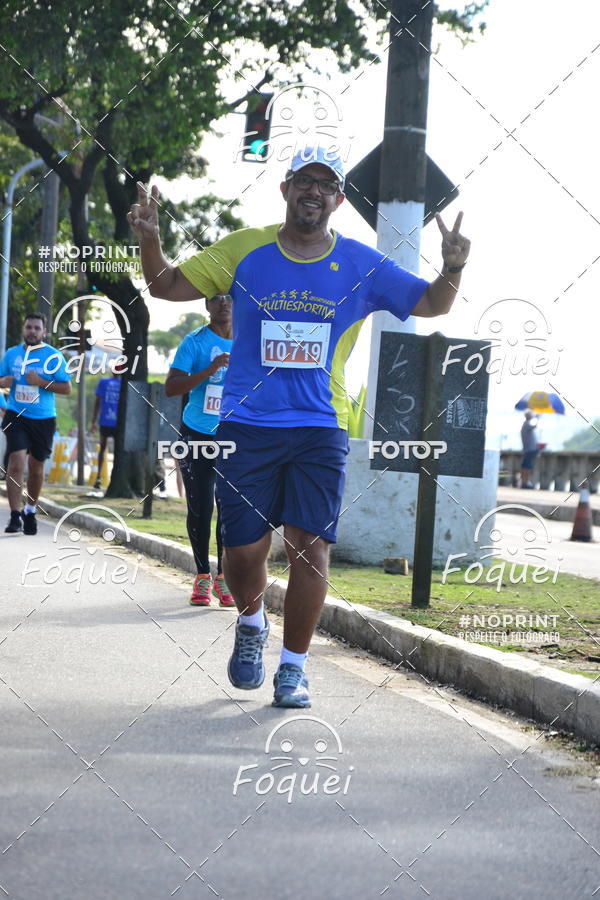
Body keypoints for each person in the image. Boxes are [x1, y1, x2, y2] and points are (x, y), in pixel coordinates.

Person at [128, 145, 470, 708]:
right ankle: (251, 620)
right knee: (242, 552)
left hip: (321, 426)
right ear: (285, 189)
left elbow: (433, 304)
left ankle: (293, 668)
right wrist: (148, 237)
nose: (314, 191)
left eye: (325, 184)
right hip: (247, 424)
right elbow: (165, 286)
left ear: (338, 198)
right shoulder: (246, 250)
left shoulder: (362, 263)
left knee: (310, 550)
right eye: (303, 181)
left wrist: (452, 267)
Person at [165, 294, 234, 607]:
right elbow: (171, 387)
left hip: (236, 436)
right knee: (202, 506)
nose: (224, 303)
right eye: (216, 299)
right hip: (198, 433)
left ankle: (224, 577)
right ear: (207, 306)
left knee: (230, 508)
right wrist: (209, 370)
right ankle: (203, 576)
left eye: (230, 297)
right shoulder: (194, 343)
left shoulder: (250, 340)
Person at [0, 312, 72, 534]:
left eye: (36, 328)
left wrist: (40, 382)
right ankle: (14, 515)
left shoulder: (53, 357)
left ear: (44, 332)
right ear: (24, 329)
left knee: (37, 468)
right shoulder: (12, 355)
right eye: (28, 327)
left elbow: (66, 388)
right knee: (15, 462)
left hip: (43, 419)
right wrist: (3, 381)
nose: (32, 331)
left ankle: (30, 509)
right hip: (15, 415)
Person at [90, 368, 122, 490]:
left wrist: (93, 421)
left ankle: (99, 477)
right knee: (116, 451)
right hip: (116, 423)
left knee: (103, 448)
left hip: (105, 420)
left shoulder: (104, 382)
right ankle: (107, 476)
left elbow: (97, 403)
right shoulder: (122, 384)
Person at [520, 410, 539, 489]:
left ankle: (524, 482)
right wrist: (537, 418)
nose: (532, 416)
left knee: (525, 466)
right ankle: (525, 482)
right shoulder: (526, 424)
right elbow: (534, 426)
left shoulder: (526, 424)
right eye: (530, 415)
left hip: (528, 449)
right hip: (529, 449)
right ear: (527, 416)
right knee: (526, 467)